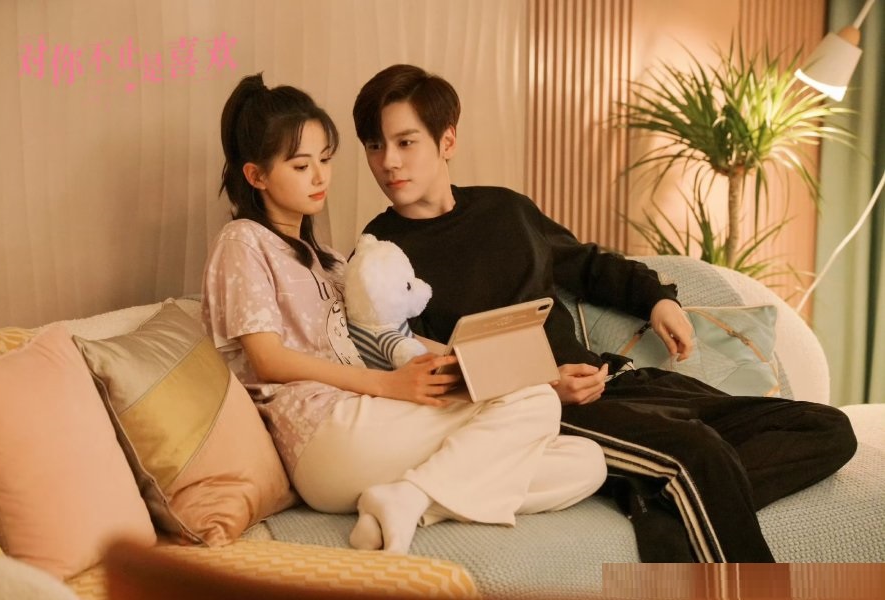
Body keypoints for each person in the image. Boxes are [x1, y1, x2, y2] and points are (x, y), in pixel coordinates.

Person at [352, 63, 859, 562]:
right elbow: (419, 365)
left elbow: (588, 264)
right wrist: (543, 388)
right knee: (699, 454)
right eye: (374, 146)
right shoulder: (378, 258)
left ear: (447, 141)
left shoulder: (506, 210)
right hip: (549, 412)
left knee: (826, 427)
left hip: (618, 381)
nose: (388, 162)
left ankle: (662, 505)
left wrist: (657, 299)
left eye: (405, 142)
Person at [200, 73, 607, 555]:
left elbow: (383, 335)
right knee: (534, 402)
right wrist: (388, 385)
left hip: (371, 429)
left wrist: (469, 365)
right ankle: (414, 497)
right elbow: (267, 360)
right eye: (301, 165)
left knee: (584, 461)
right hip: (321, 436)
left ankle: (408, 500)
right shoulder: (243, 241)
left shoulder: (330, 260)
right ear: (257, 176)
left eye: (326, 160)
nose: (320, 177)